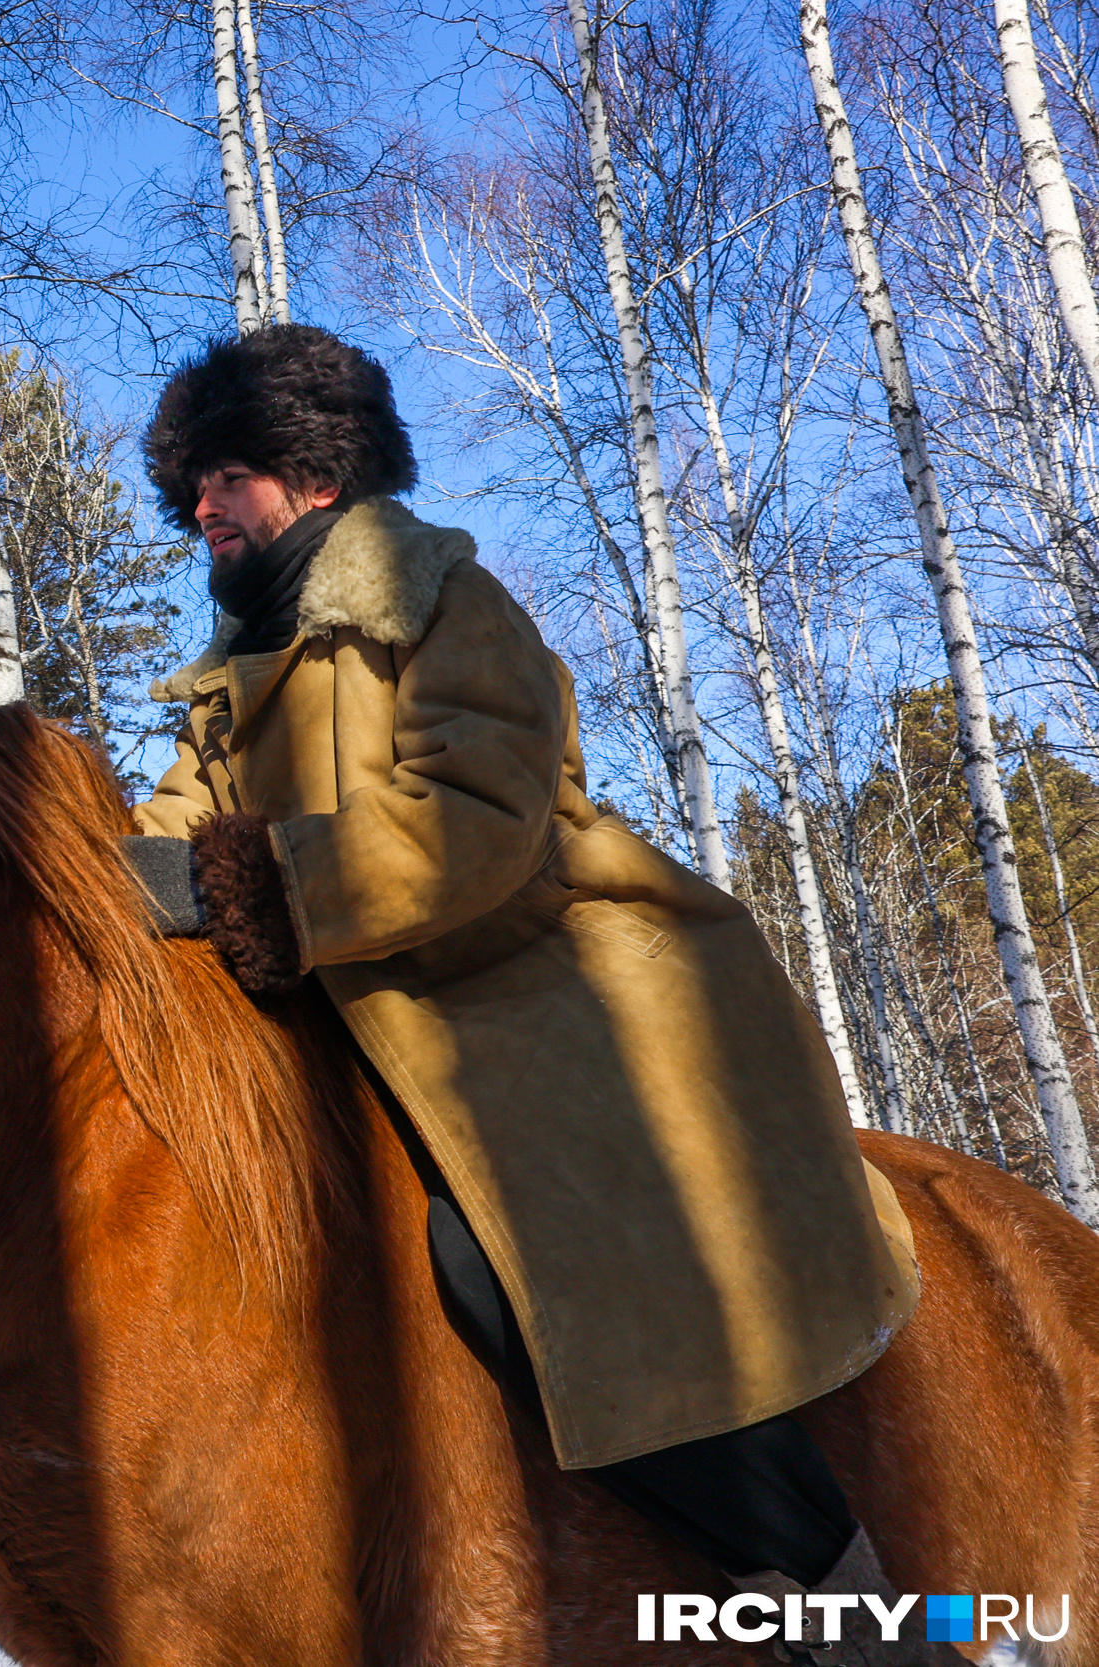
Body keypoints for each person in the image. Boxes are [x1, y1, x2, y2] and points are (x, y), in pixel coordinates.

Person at [118, 324, 951, 1667]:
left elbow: (476, 820)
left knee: (510, 1267)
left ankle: (848, 1613)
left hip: (541, 1003)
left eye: (229, 475)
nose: (201, 508)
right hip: (361, 1035)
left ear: (317, 473)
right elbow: (162, 849)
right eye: (192, 487)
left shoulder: (442, 601)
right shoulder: (225, 687)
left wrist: (258, 890)